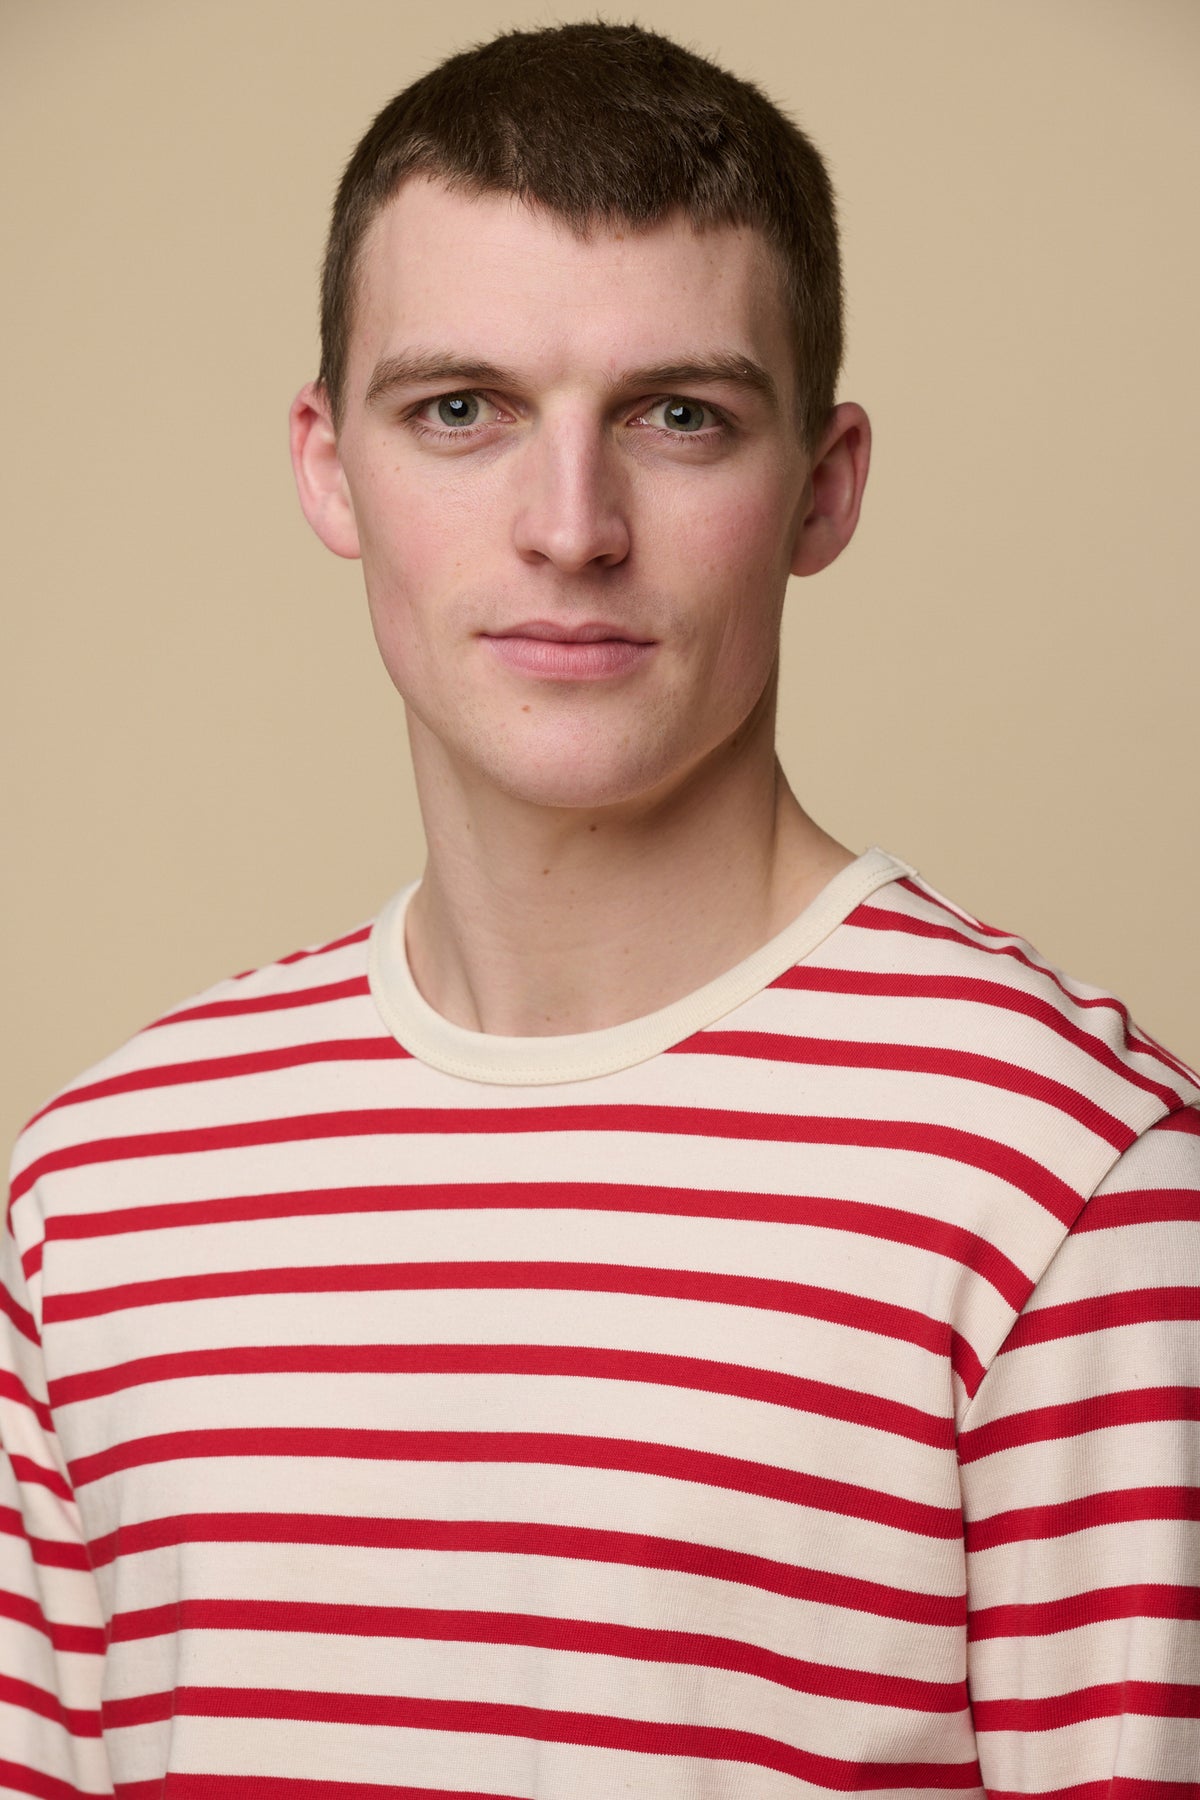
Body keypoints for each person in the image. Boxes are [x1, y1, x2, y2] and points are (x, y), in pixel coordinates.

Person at [3, 19, 1197, 1797]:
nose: (572, 527)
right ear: (329, 465)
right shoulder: (100, 1199)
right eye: (461, 410)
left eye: (678, 416)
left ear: (823, 487)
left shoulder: (1068, 1190)